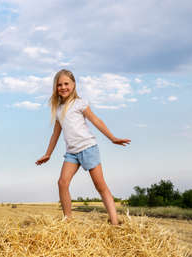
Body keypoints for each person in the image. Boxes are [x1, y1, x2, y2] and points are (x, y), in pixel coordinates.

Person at [35, 69, 131, 225]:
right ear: (55, 87)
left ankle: (114, 223)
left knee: (100, 186)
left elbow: (96, 120)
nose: (63, 87)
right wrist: (48, 154)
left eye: (66, 83)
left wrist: (112, 138)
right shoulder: (59, 109)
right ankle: (68, 220)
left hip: (88, 148)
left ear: (73, 85)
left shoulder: (80, 103)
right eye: (59, 85)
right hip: (72, 153)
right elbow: (55, 134)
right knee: (62, 183)